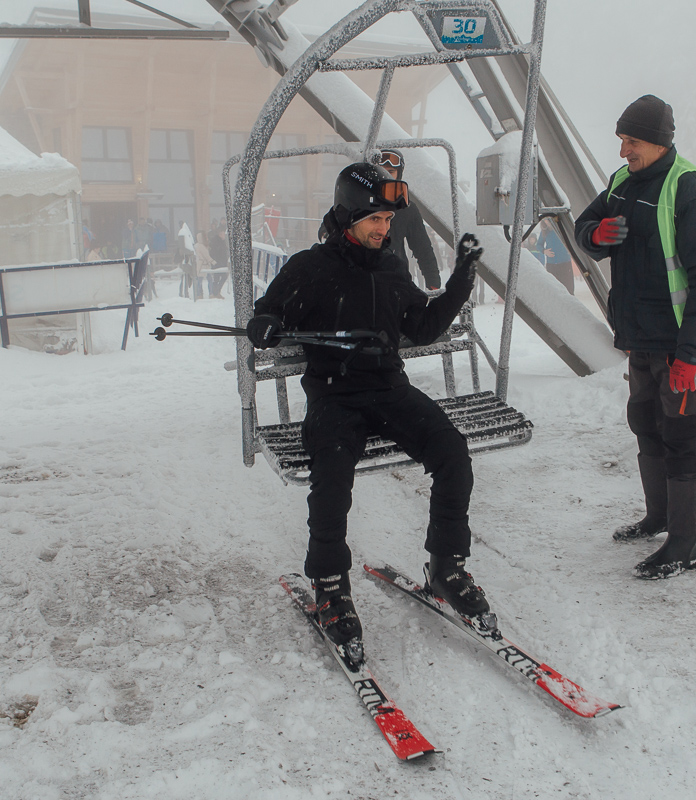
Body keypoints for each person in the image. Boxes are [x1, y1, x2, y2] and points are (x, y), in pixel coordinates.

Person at [246, 162, 488, 659]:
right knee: (332, 477)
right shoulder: (310, 267)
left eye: (388, 220)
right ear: (349, 215)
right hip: (334, 396)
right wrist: (264, 324)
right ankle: (331, 584)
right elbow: (269, 311)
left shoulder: (390, 268)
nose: (384, 228)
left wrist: (461, 281)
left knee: (451, 451)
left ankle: (446, 566)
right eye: (375, 219)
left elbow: (422, 327)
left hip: (389, 390)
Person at [575, 94, 696, 581]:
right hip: (642, 341)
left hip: (684, 349)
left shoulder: (694, 192)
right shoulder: (623, 182)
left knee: (685, 437)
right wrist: (595, 236)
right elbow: (583, 226)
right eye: (621, 140)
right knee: (647, 426)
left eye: (632, 141)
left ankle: (686, 543)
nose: (623, 151)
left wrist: (691, 355)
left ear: (659, 142)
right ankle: (659, 517)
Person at [377, 150, 442, 289]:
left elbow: (423, 249)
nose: (386, 176)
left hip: (396, 283)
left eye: (391, 172)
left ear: (398, 174)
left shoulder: (406, 209)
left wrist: (433, 285)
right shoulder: (359, 201)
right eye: (381, 171)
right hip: (363, 283)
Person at [538, 222, 575, 295]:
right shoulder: (545, 231)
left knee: (569, 288)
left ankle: (569, 301)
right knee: (554, 289)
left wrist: (571, 250)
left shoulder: (562, 228)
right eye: (545, 220)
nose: (548, 221)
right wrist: (544, 251)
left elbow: (573, 240)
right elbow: (539, 245)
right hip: (551, 264)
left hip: (565, 263)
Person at [207, 220, 228, 299]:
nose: (223, 235)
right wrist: (217, 262)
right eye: (222, 234)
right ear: (219, 234)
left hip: (222, 263)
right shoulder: (216, 242)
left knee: (221, 277)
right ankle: (216, 292)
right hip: (218, 263)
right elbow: (215, 253)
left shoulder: (222, 241)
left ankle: (216, 292)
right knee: (218, 278)